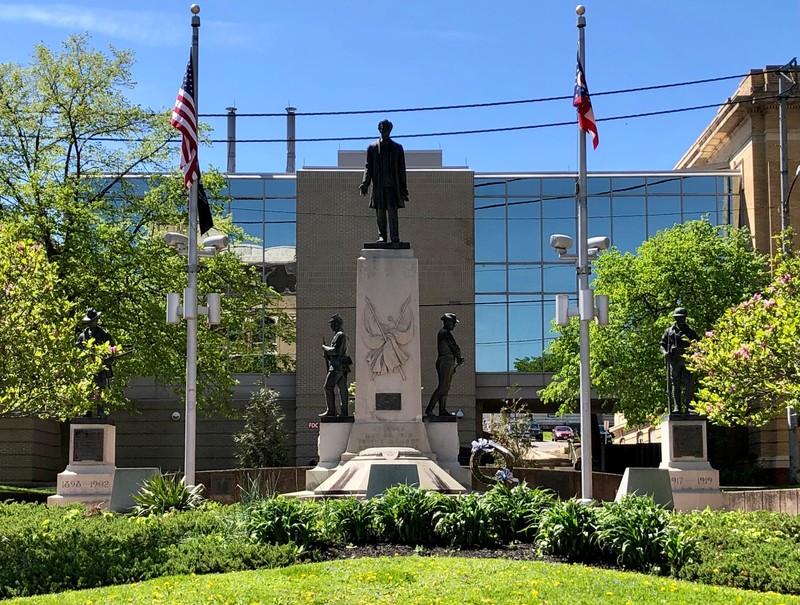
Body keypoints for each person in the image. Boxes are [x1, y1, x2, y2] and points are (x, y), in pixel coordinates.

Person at [359, 119, 409, 244]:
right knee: (380, 211)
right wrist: (365, 183)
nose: (384, 130)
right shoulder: (372, 148)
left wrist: (404, 190)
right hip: (379, 185)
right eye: (382, 128)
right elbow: (368, 167)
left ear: (390, 130)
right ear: (379, 129)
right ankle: (382, 236)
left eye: (386, 128)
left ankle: (395, 237)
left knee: (393, 212)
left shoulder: (397, 148)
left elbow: (401, 170)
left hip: (393, 185)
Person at [76, 308, 116, 417]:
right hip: (88, 366)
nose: (92, 322)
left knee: (99, 387)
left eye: (94, 320)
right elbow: (77, 350)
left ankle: (100, 409)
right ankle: (88, 409)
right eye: (90, 321)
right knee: (87, 387)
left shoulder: (104, 334)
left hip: (100, 366)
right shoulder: (83, 335)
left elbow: (113, 350)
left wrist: (109, 359)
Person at [660, 307, 699, 414]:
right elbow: (662, 345)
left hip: (687, 361)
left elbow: (698, 345)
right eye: (679, 318)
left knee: (689, 383)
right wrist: (665, 353)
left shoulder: (690, 332)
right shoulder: (669, 331)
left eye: (683, 318)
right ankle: (677, 406)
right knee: (675, 384)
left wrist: (695, 354)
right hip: (675, 360)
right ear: (676, 318)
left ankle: (689, 405)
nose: (681, 320)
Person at [425, 313, 465, 417]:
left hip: (449, 361)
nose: (454, 326)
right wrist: (459, 358)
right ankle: (429, 409)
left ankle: (442, 410)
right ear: (448, 322)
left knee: (446, 387)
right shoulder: (444, 333)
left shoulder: (445, 333)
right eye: (453, 323)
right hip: (445, 361)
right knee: (443, 386)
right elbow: (454, 347)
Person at [320, 314, 352, 417]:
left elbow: (336, 351)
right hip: (342, 366)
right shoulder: (344, 335)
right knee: (342, 388)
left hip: (337, 366)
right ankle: (344, 412)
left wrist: (325, 348)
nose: (331, 326)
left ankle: (331, 411)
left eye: (332, 323)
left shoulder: (340, 335)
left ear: (337, 324)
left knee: (328, 387)